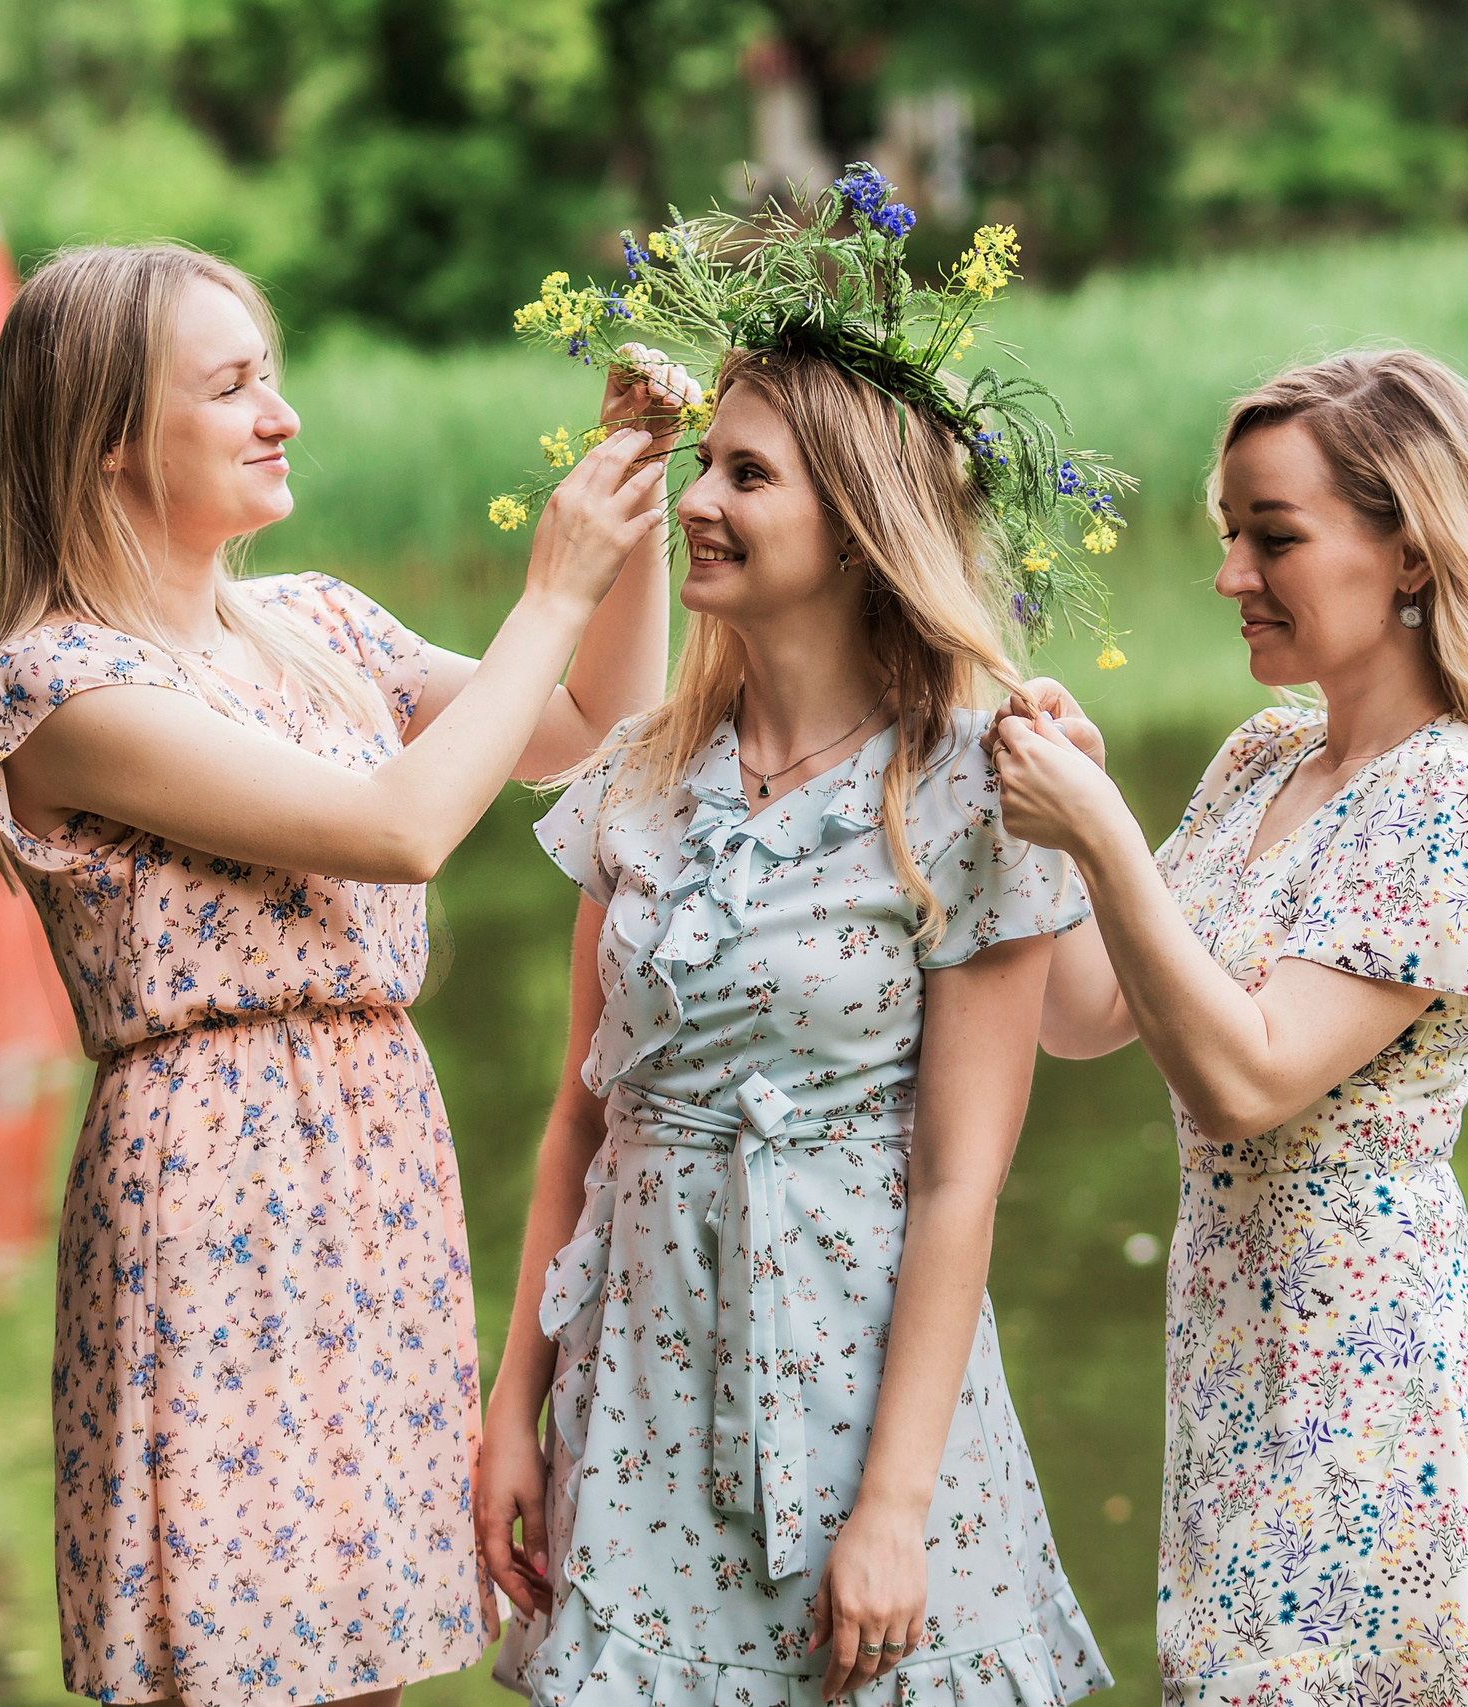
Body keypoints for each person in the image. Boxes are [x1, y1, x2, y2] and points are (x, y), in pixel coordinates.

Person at [0, 242, 695, 1707]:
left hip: (373, 1157)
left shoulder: (320, 626)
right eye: (232, 387)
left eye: (272, 375)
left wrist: (635, 506)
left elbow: (593, 725)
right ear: (108, 439)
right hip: (210, 1183)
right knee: (239, 1656)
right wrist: (548, 585)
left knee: (361, 1653)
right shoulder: (58, 687)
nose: (280, 411)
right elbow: (400, 830)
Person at [476, 341, 1112, 1706]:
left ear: (858, 533)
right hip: (639, 1385)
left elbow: (960, 1182)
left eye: (746, 476)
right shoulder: (639, 780)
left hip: (864, 1387)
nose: (700, 499)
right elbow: (583, 1118)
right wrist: (511, 1406)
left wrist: (892, 1509)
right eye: (703, 466)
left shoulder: (970, 786)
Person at [991, 348, 1468, 1705]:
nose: (1231, 577)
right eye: (1228, 538)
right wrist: (1064, 825)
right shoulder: (1264, 756)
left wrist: (1104, 838)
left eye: (1274, 537)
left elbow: (1245, 1080)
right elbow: (1085, 1012)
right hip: (1232, 1341)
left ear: (1411, 555)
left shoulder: (1454, 799)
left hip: (1369, 1363)